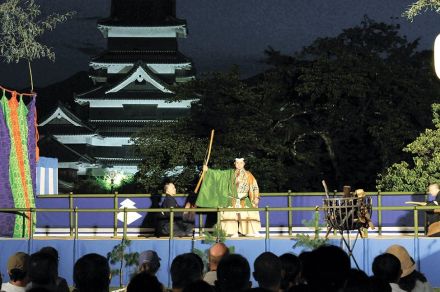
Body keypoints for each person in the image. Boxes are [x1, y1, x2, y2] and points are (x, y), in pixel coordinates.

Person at [198, 157, 261, 237]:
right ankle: (232, 232)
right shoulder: (229, 173)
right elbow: (218, 174)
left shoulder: (249, 175)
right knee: (229, 215)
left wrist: (256, 197)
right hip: (232, 198)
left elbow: (255, 186)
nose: (239, 165)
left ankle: (251, 231)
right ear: (234, 164)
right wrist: (208, 170)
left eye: (241, 163)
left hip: (244, 199)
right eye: (237, 163)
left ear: (244, 164)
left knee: (250, 212)